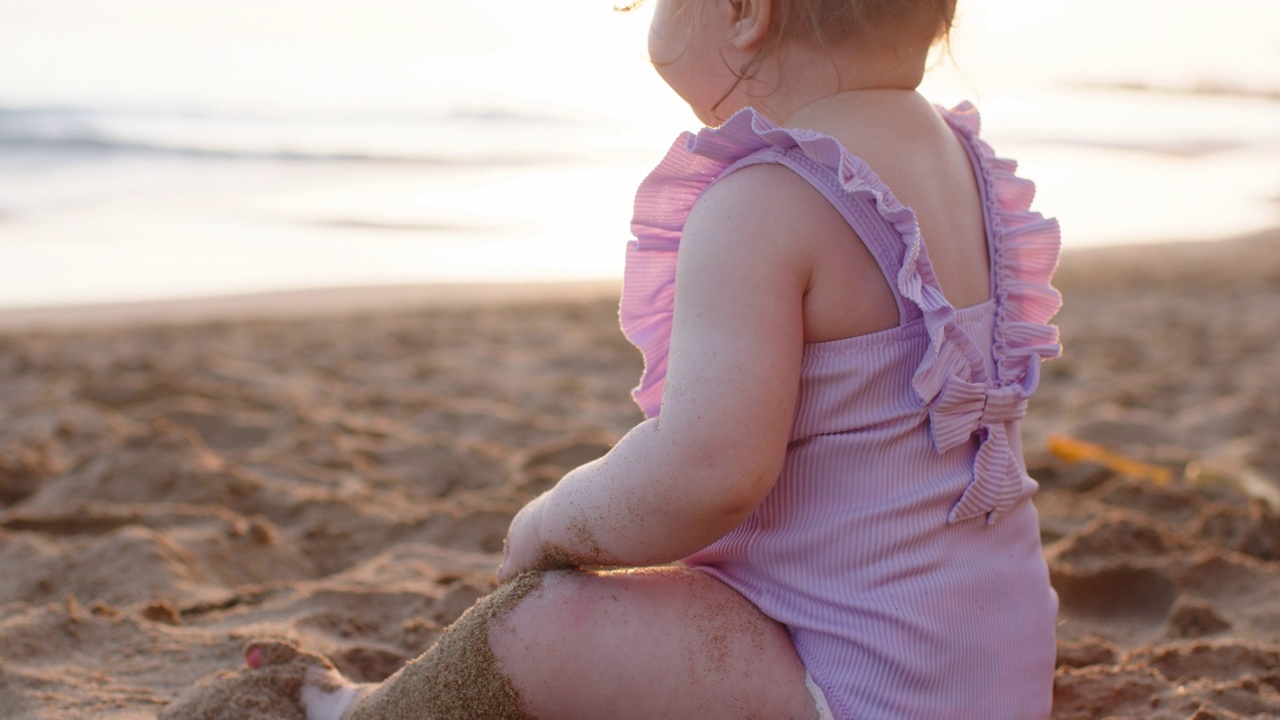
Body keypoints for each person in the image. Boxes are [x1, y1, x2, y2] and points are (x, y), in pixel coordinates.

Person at [242, 0, 1063, 717]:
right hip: (991, 671)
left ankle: (363, 715)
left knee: (539, 626)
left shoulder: (763, 204)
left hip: (858, 686)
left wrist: (549, 522)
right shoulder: (962, 166)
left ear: (747, 9)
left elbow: (707, 472)